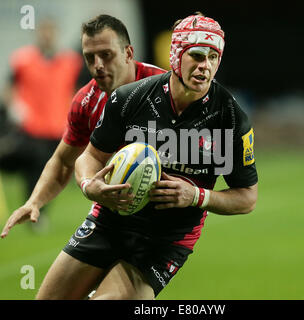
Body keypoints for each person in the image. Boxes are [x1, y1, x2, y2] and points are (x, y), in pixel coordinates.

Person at [33, 13, 258, 300]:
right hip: (109, 223)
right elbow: (88, 157)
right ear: (176, 55)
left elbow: (248, 197)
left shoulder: (229, 117)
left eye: (213, 57)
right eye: (197, 55)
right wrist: (91, 186)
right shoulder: (130, 98)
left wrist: (197, 196)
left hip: (165, 242)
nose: (206, 66)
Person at [1, 14, 166, 238]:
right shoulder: (85, 101)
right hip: (109, 210)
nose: (97, 65)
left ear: (128, 53)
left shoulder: (164, 88)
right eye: (90, 57)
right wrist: (35, 202)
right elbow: (62, 162)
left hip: (166, 220)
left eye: (106, 55)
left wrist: (195, 194)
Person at [0, 19, 83, 224]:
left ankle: (39, 212)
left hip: (57, 128)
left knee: (53, 172)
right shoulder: (23, 59)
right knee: (35, 165)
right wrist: (15, 108)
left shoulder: (70, 62)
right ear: (38, 34)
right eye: (43, 31)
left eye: (50, 31)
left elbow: (77, 89)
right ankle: (34, 210)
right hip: (30, 127)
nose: (47, 35)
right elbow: (9, 87)